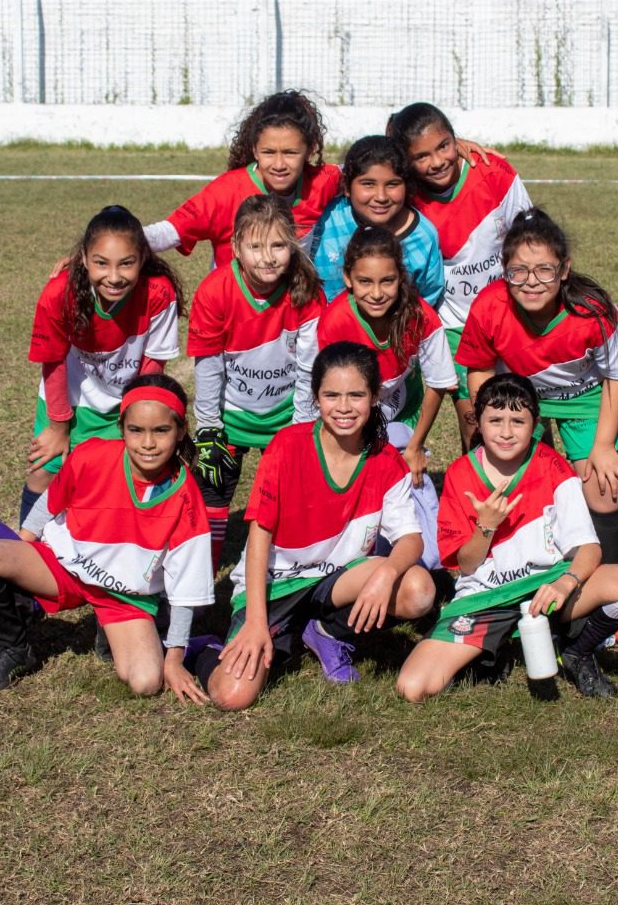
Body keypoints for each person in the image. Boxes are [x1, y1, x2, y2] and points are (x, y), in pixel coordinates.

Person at [195, 342, 437, 709]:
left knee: (418, 590)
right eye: (332, 395)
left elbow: (411, 540)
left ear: (375, 397)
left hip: (336, 580)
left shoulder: (386, 459)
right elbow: (259, 538)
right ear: (316, 397)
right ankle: (203, 648)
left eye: (356, 395)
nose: (344, 407)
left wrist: (387, 573)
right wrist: (256, 621)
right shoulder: (286, 447)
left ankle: (327, 631)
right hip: (276, 583)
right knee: (232, 695)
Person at [397, 374, 618, 702]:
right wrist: (486, 527)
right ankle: (501, 643)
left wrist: (565, 583)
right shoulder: (461, 474)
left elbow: (589, 549)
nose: (506, 432)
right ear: (478, 421)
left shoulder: (553, 466)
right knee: (413, 687)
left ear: (535, 423)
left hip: (548, 590)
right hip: (488, 597)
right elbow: (466, 565)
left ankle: (576, 651)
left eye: (518, 421)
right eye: (495, 420)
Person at [0, 375, 215, 700]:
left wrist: (175, 659)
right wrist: (20, 548)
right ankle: (14, 648)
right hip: (64, 567)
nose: (148, 443)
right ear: (121, 428)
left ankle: (137, 630)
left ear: (180, 430)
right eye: (136, 430)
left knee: (146, 682)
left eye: (161, 430)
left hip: (122, 596)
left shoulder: (186, 496)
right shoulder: (91, 455)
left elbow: (186, 585)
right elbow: (50, 502)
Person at [455, 208, 618, 643]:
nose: (531, 282)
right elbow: (479, 369)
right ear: (504, 271)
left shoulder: (593, 309)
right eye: (518, 271)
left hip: (585, 396)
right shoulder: (490, 306)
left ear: (564, 269)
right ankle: (514, 580)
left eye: (544, 270)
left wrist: (602, 446)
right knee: (518, 484)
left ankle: (609, 591)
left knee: (604, 485)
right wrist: (489, 426)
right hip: (524, 398)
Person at [296, 226, 458, 567]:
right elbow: (326, 391)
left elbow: (440, 381)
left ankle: (425, 560)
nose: (377, 293)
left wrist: (415, 448)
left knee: (408, 481)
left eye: (387, 281)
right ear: (348, 278)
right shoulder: (335, 321)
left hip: (400, 413)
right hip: (350, 415)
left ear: (401, 277)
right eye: (365, 282)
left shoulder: (419, 315)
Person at [186, 194, 325, 564]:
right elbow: (209, 367)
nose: (267, 257)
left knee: (285, 498)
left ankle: (281, 568)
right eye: (255, 246)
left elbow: (309, 368)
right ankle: (203, 572)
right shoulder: (215, 291)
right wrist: (209, 427)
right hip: (231, 417)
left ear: (293, 244)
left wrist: (301, 426)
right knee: (212, 495)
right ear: (236, 247)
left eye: (278, 245)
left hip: (284, 416)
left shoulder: (307, 291)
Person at [22, 205, 182, 526]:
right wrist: (58, 427)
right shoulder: (59, 294)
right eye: (101, 263)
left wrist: (136, 419)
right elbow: (53, 362)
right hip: (67, 402)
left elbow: (153, 365)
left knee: (119, 478)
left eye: (126, 263)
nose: (113, 276)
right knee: (45, 472)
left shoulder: (159, 293)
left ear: (143, 259)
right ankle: (27, 549)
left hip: (124, 405)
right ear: (83, 258)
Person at [387, 102, 533, 450]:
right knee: (478, 425)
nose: (437, 161)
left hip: (511, 315)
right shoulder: (403, 192)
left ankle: (539, 481)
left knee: (526, 415)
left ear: (456, 139)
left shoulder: (492, 172)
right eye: (421, 156)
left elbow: (531, 238)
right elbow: (363, 164)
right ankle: (479, 483)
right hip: (455, 325)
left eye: (444, 146)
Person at [143, 90, 340, 268]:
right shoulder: (224, 193)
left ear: (310, 150)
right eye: (268, 152)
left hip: (292, 296)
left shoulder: (322, 181)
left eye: (290, 153)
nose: (279, 164)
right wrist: (126, 236)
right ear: (254, 149)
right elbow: (170, 232)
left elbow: (356, 171)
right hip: (230, 298)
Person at [307, 135, 445, 307]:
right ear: (347, 187)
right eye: (368, 184)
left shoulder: (423, 238)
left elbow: (427, 299)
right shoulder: (326, 217)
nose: (381, 197)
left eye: (392, 184)